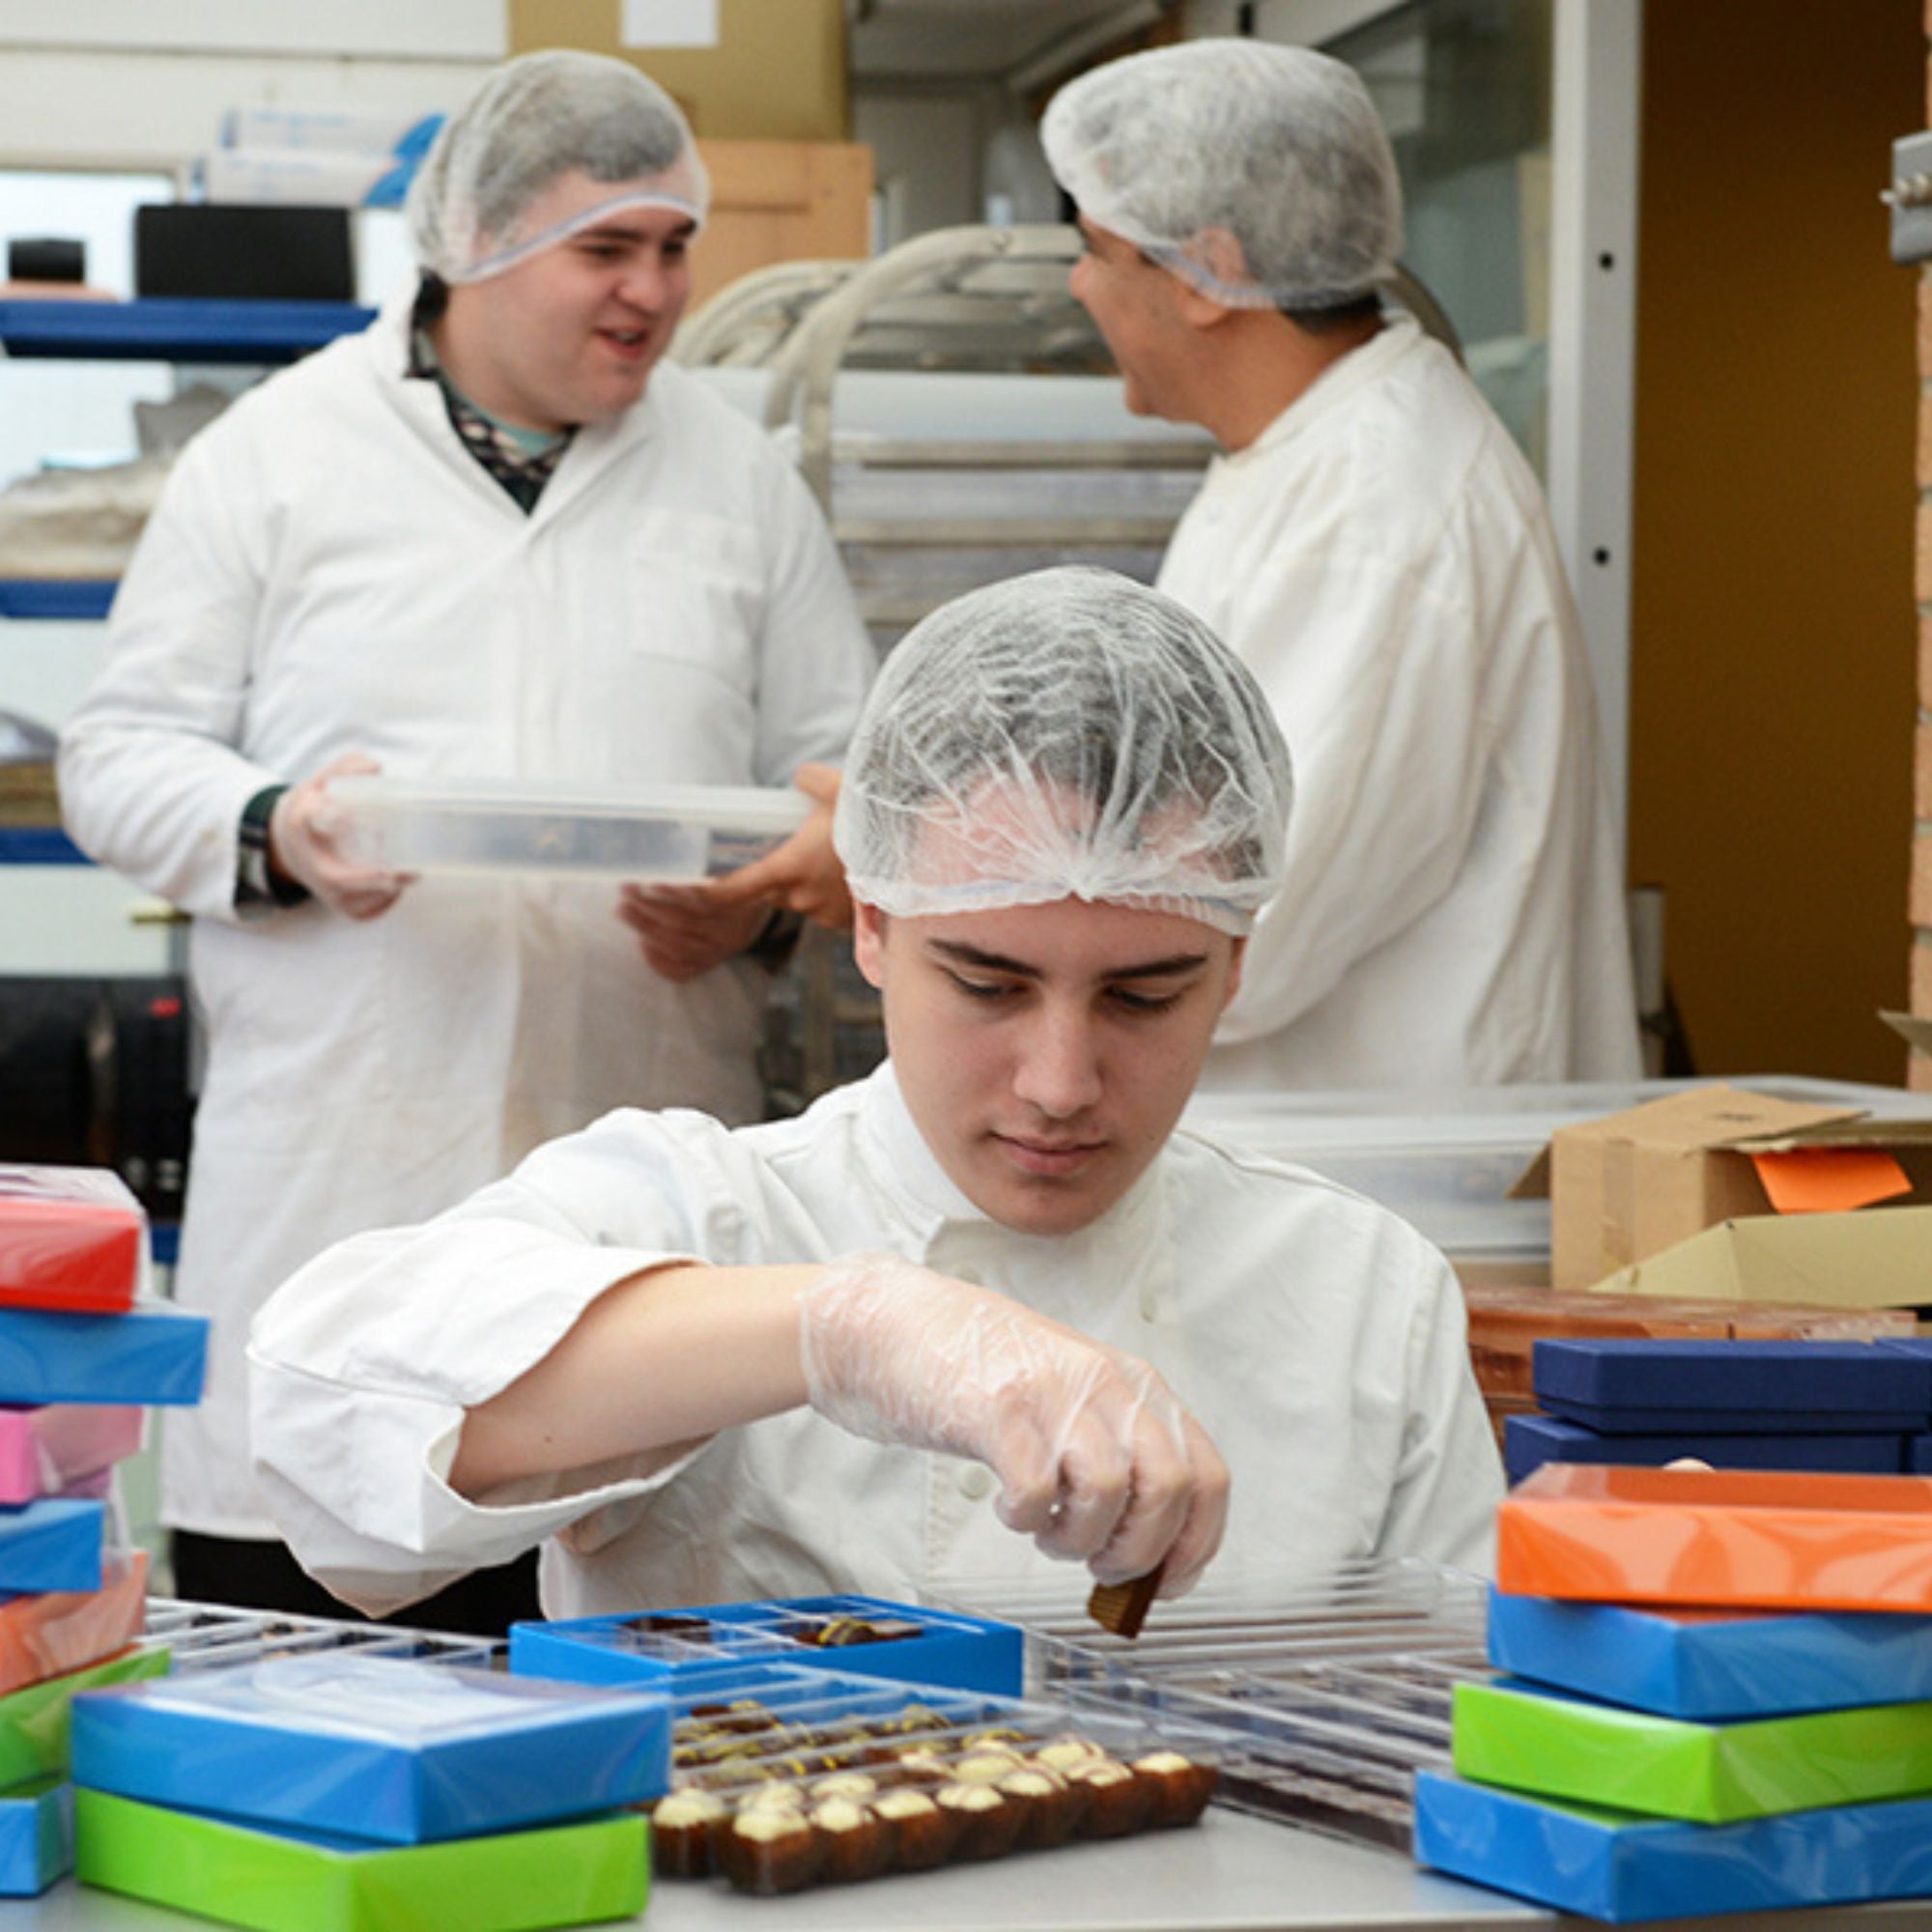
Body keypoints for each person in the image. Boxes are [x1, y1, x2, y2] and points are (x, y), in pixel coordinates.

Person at [247, 568, 1503, 1622]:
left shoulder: (1362, 1293)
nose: (1059, 1084)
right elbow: (328, 1430)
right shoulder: (714, 1214)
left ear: (1232, 966)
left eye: (1142, 997)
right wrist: (850, 1332)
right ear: (871, 929)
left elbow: (1459, 1717)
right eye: (987, 984)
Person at [57, 50, 876, 1626]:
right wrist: (279, 828)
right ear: (474, 247)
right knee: (313, 1681)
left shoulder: (736, 477)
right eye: (605, 248)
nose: (655, 290)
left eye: (673, 246)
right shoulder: (278, 455)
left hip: (637, 1219)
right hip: (347, 1180)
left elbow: (846, 778)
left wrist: (767, 902)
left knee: (636, 1687)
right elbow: (116, 757)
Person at [1040, 40, 1642, 1093]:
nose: (1078, 284)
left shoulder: (1376, 516)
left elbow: (1238, 924)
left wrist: (949, 879)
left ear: (1210, 271)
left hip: (1378, 1163)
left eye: (1097, 249)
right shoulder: (1303, 461)